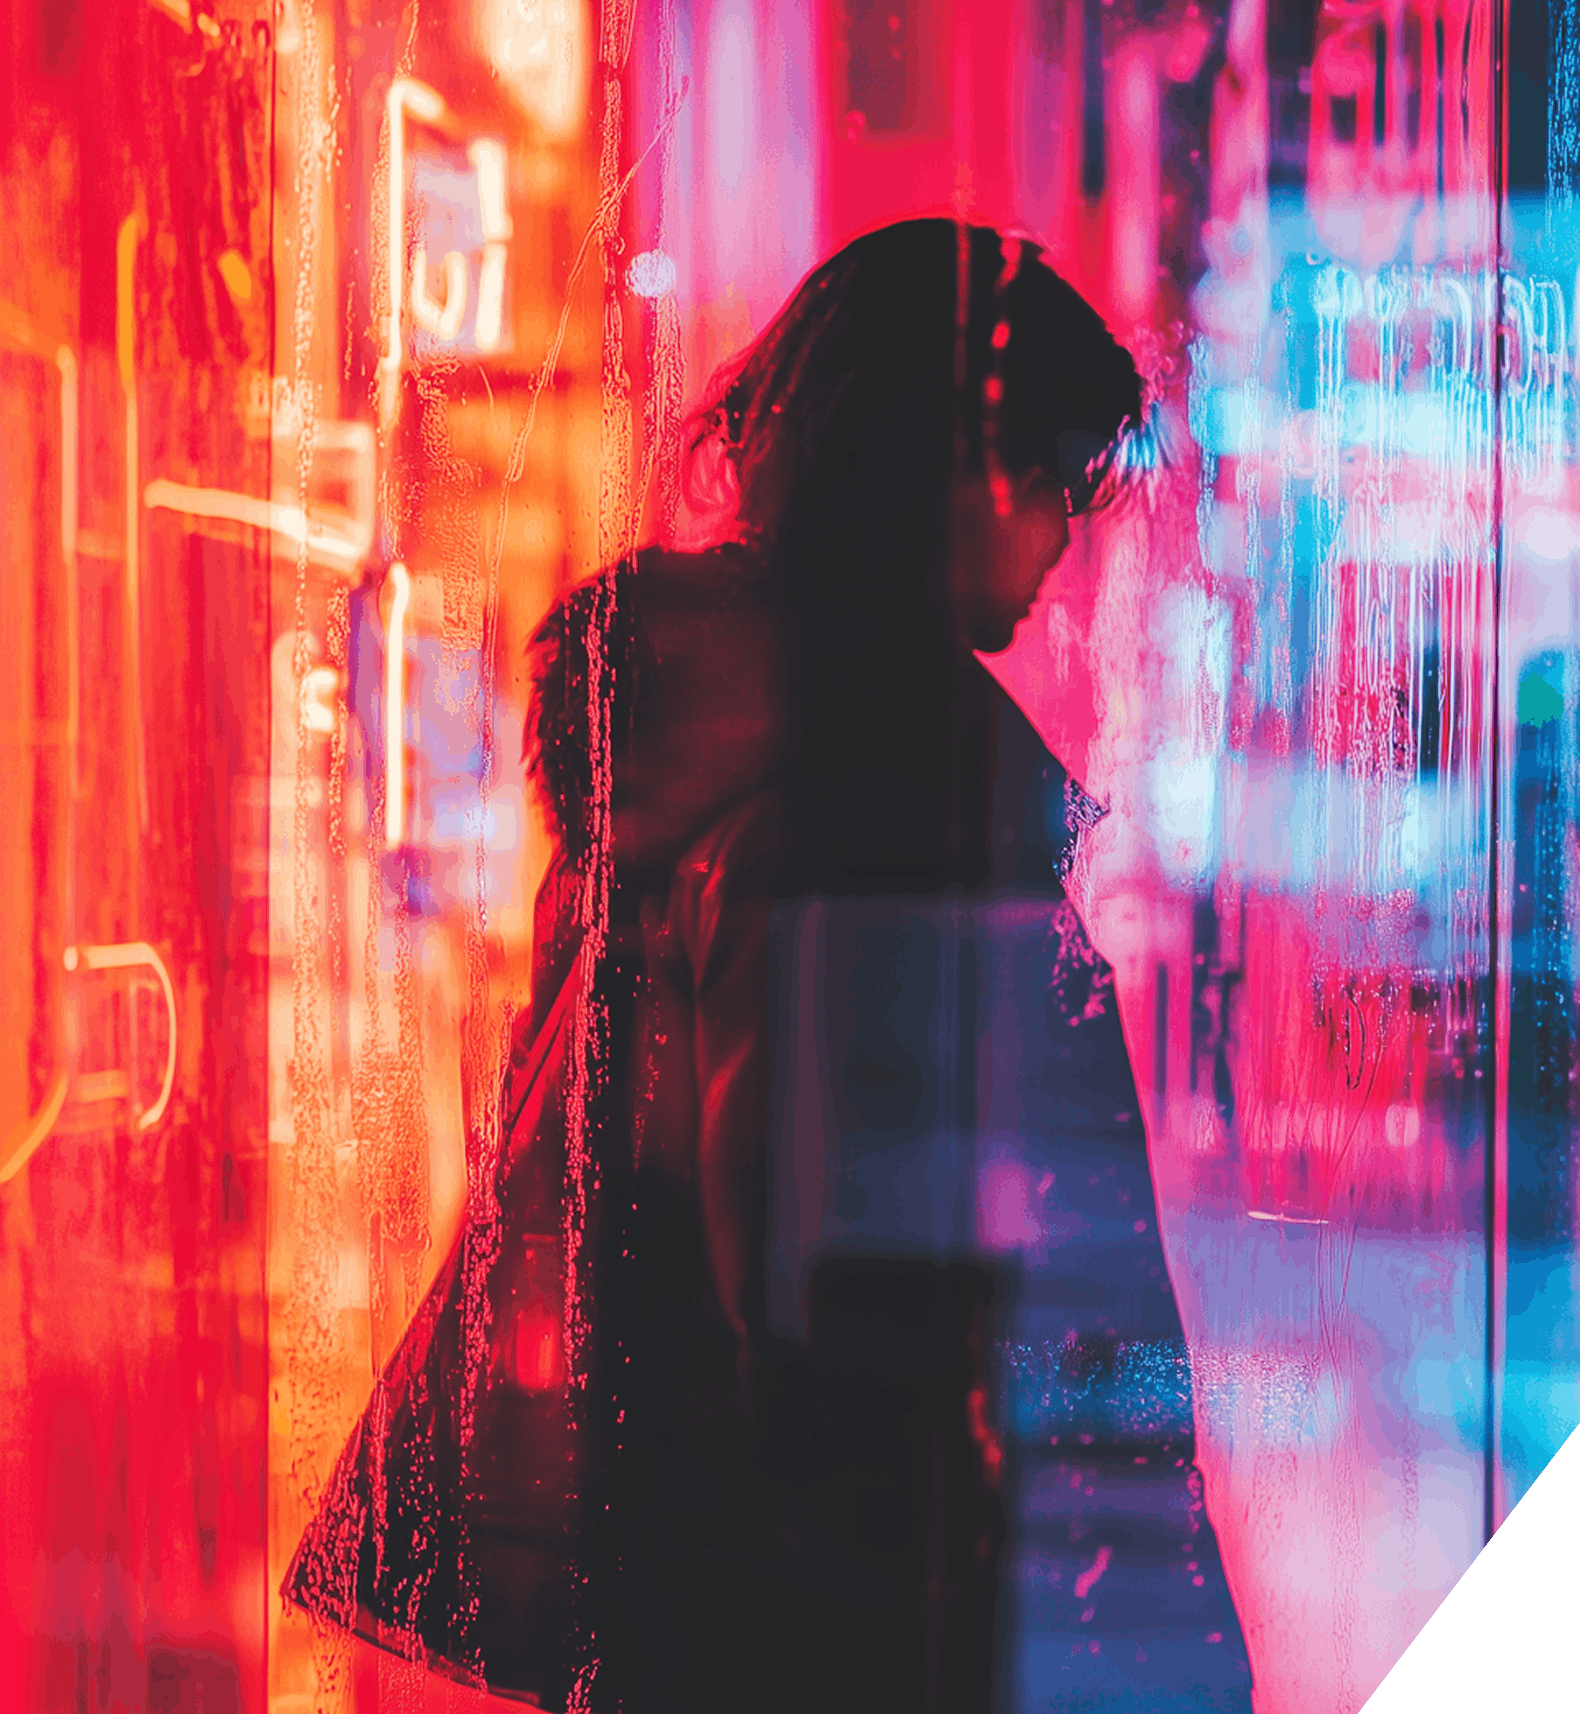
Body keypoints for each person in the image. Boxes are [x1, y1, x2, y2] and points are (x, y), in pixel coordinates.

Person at [284, 217, 1252, 1713]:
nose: (1066, 534)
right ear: (927, 475)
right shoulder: (856, 808)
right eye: (1049, 477)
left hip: (721, 1616)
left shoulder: (718, 757)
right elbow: (839, 1345)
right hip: (820, 1639)